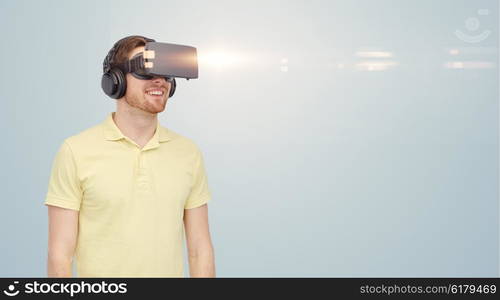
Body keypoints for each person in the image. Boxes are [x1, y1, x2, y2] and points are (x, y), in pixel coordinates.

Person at [44, 35, 215, 277]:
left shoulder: (188, 153)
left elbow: (200, 250)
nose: (160, 80)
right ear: (115, 81)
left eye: (166, 74)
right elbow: (60, 254)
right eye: (146, 70)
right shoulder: (75, 151)